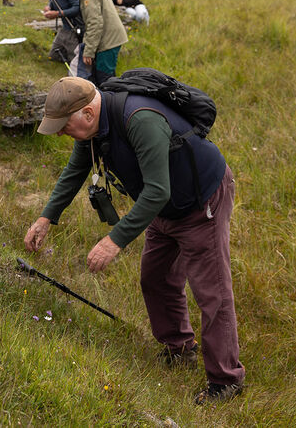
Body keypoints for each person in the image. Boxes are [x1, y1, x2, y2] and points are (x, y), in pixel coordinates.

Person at [24, 76, 245, 405]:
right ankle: (179, 348)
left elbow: (158, 190)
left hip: (201, 203)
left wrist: (114, 240)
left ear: (87, 113)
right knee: (155, 278)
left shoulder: (139, 119)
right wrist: (46, 217)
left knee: (212, 292)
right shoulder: (95, 128)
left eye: (63, 126)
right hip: (163, 208)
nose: (59, 133)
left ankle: (226, 380)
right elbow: (75, 170)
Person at [56, 0, 127, 85]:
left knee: (105, 80)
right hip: (107, 38)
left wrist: (88, 51)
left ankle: (112, 98)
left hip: (108, 40)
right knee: (104, 78)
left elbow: (94, 22)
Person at [33, 0, 82, 65]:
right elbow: (54, 1)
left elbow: (77, 7)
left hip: (74, 28)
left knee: (75, 61)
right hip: (65, 27)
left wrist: (58, 14)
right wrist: (49, 7)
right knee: (53, 56)